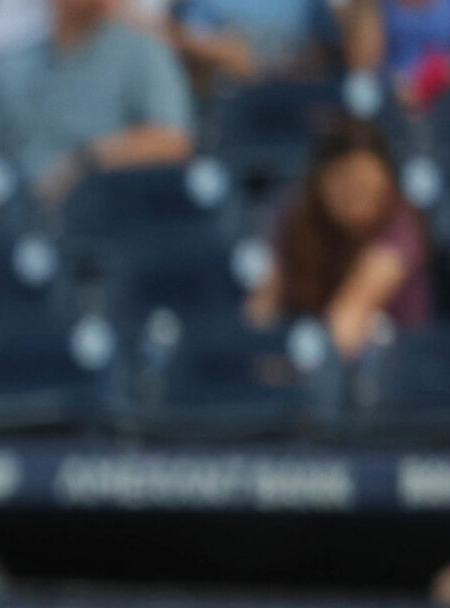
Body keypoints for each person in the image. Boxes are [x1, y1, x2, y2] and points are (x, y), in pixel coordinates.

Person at [0, 0, 195, 199]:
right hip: (20, 211)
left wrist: (86, 161)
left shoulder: (142, 51)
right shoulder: (9, 67)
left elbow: (172, 141)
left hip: (109, 212)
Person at [247, 119, 431, 356]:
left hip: (392, 368)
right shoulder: (295, 214)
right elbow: (263, 306)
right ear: (320, 182)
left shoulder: (402, 226)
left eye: (367, 189)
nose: (358, 203)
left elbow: (346, 320)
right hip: (309, 352)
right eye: (347, 188)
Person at [175, 0, 339, 85]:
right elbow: (188, 39)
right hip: (234, 101)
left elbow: (329, 50)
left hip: (297, 100)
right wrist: (225, 52)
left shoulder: (312, 5)